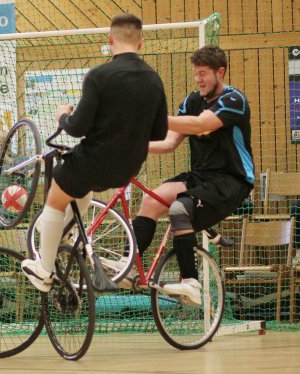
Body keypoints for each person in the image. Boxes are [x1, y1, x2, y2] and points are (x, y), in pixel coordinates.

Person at [21, 13, 168, 292]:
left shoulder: (99, 76)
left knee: (56, 195)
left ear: (110, 40)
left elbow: (77, 129)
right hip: (127, 168)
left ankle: (44, 270)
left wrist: (63, 115)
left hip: (94, 161)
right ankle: (62, 231)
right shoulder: (153, 79)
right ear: (141, 43)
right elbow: (159, 133)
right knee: (79, 189)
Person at [110, 45, 254, 306]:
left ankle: (191, 282)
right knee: (151, 201)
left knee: (179, 209)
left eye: (203, 74)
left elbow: (201, 124)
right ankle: (131, 266)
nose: (198, 79)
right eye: (195, 74)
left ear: (220, 72)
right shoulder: (192, 101)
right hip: (200, 177)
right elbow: (169, 144)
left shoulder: (233, 100)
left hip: (231, 180)